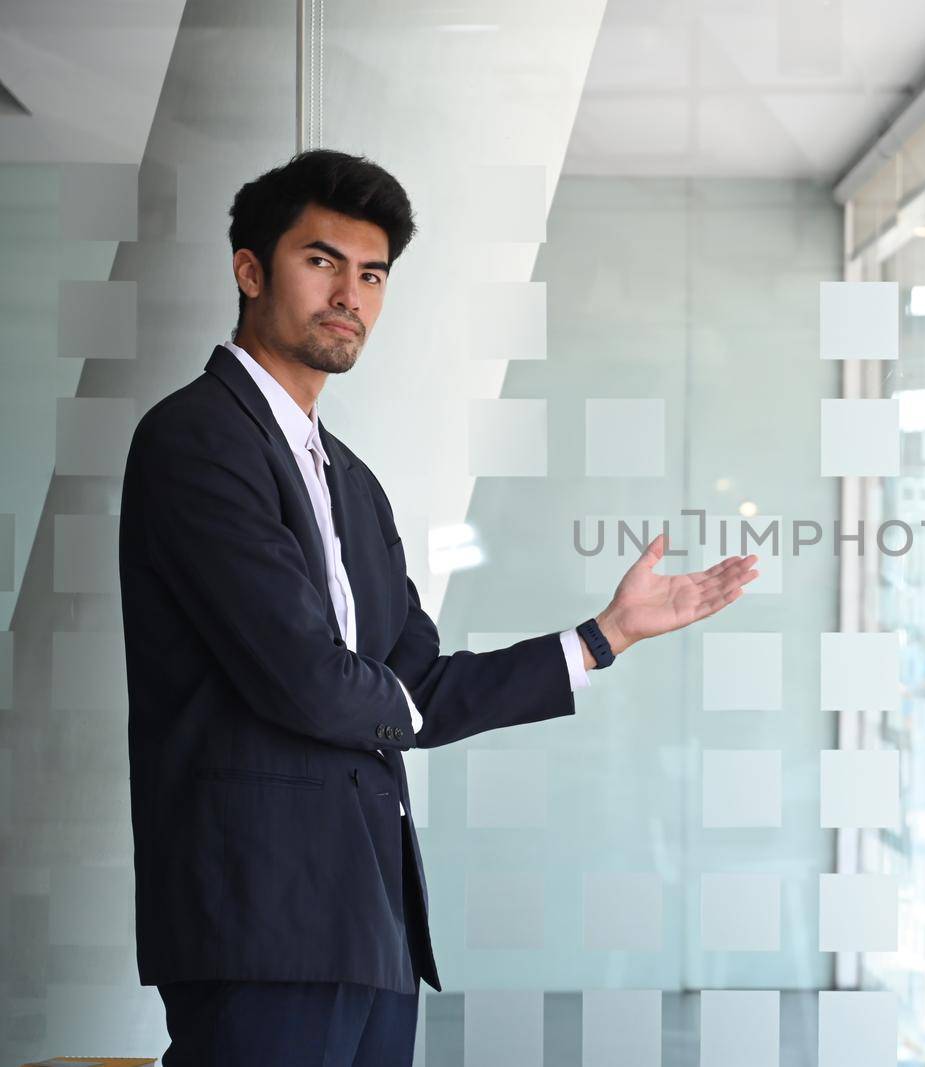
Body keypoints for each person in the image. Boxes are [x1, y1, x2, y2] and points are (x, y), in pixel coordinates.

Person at [117, 149, 758, 1065]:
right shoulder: (196, 440)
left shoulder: (353, 483)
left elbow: (414, 683)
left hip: (372, 923)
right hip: (258, 915)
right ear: (250, 269)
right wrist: (396, 710)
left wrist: (604, 636)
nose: (351, 294)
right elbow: (307, 679)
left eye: (371, 274)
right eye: (322, 260)